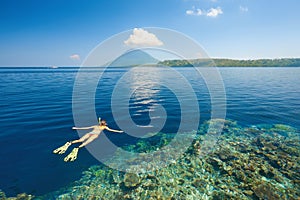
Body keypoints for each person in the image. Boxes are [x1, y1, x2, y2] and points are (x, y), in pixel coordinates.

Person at [53, 118, 123, 162]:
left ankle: (70, 142)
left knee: (79, 140)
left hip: (90, 133)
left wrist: (76, 128)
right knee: (85, 143)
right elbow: (112, 130)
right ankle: (77, 148)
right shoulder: (105, 127)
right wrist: (119, 131)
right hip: (95, 135)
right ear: (104, 124)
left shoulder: (95, 126)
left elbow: (85, 128)